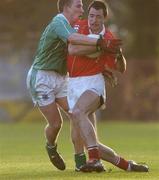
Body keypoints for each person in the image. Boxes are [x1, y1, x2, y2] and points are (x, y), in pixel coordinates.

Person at [26, 0, 121, 171]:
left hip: (62, 77)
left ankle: (80, 162)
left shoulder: (74, 25)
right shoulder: (59, 21)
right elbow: (72, 41)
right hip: (42, 77)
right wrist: (100, 43)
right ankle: (51, 146)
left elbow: (78, 51)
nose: (82, 8)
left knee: (77, 115)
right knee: (56, 124)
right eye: (78, 5)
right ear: (66, 7)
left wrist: (101, 67)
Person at [67, 0, 149, 172]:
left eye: (98, 16)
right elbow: (72, 50)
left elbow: (121, 68)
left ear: (105, 18)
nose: (93, 20)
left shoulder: (109, 38)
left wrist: (118, 55)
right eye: (91, 15)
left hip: (93, 83)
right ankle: (127, 165)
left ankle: (94, 161)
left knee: (78, 112)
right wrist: (100, 46)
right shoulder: (78, 26)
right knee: (92, 142)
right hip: (73, 84)